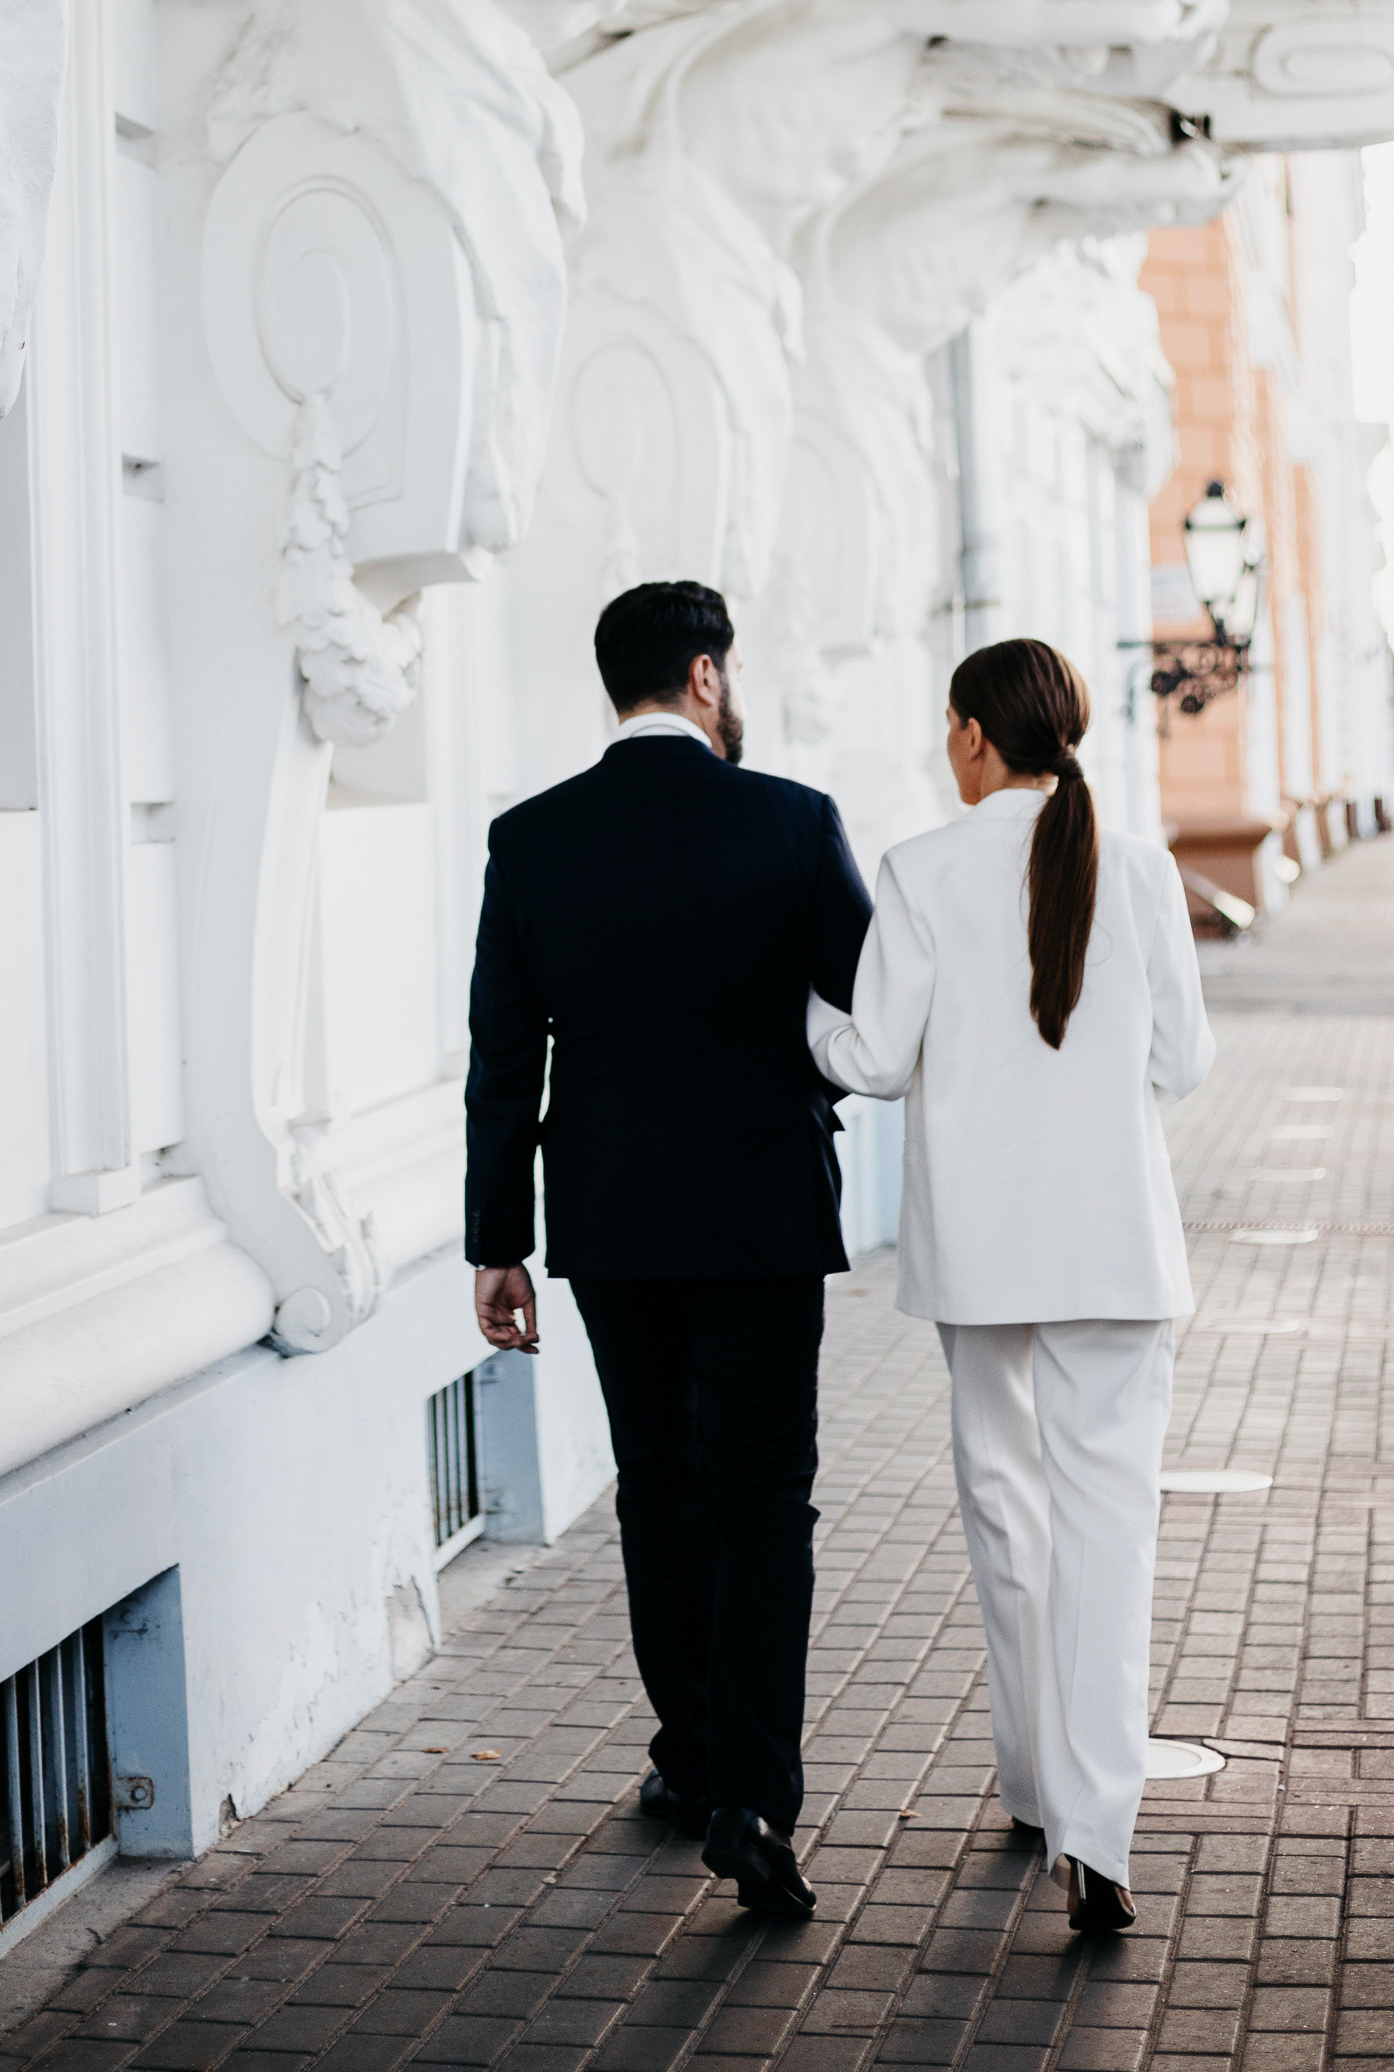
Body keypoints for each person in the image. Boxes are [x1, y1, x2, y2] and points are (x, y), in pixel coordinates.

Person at [464, 581, 872, 1918]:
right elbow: (872, 1005)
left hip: (610, 1219)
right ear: (706, 676)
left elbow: (502, 1062)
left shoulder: (530, 841)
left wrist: (497, 1244)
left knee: (658, 1482)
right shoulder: (793, 821)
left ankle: (690, 1760)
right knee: (768, 1496)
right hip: (761, 1211)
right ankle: (757, 1794)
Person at [807, 639, 1213, 1933]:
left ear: (978, 735)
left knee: (1008, 1516)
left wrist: (794, 1015)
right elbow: (1184, 1060)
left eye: (948, 724)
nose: (944, 744)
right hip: (1116, 1246)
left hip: (983, 1253)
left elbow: (870, 1060)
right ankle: (1097, 1827)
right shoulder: (1140, 867)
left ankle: (1037, 1785)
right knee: (1112, 1531)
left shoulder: (922, 870)